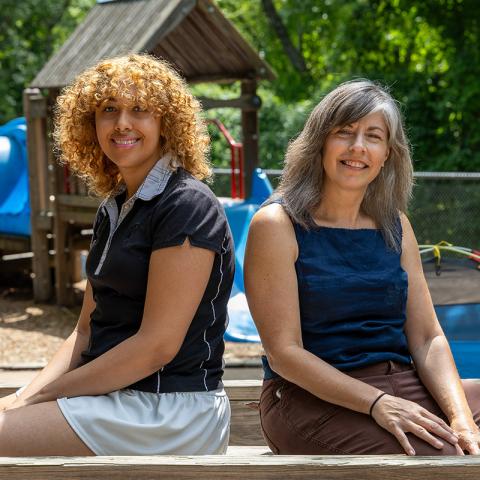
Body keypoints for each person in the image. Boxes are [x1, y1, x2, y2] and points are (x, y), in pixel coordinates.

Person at [0, 54, 234, 456]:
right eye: (109, 110)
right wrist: (24, 395)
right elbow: (85, 330)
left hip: (168, 410)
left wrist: (44, 398)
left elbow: (156, 346)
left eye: (139, 109)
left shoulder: (186, 205)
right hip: (112, 400)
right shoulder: (116, 206)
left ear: (166, 123)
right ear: (90, 124)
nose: (122, 122)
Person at [244, 79, 480, 456]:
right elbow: (284, 353)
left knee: (464, 436)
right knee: (444, 457)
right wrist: (377, 403)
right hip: (312, 399)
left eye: (373, 136)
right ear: (320, 142)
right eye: (345, 132)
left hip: (402, 384)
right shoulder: (277, 224)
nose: (358, 147)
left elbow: (426, 337)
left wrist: (462, 418)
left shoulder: (395, 224)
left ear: (387, 153)